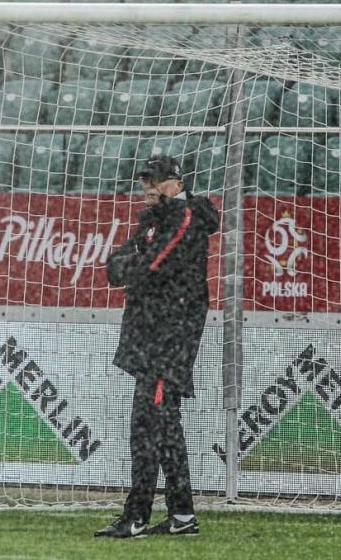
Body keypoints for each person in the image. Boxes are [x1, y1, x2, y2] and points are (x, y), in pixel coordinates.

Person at [95, 155, 219, 539]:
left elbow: (152, 265)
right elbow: (113, 267)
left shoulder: (185, 217)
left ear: (177, 184)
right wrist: (133, 263)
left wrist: (135, 264)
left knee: (150, 427)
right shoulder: (151, 221)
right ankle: (181, 517)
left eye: (156, 181)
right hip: (150, 335)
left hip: (170, 338)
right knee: (160, 427)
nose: (148, 187)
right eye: (145, 181)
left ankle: (137, 516)